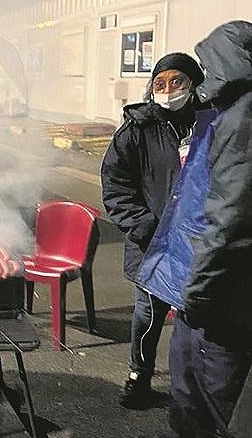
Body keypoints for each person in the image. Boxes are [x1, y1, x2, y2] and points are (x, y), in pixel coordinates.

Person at [139, 21, 252, 436]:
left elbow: (231, 222)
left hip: (220, 303)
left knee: (209, 407)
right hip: (209, 290)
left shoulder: (243, 120)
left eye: (206, 62)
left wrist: (198, 294)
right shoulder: (224, 114)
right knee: (192, 402)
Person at [100, 52, 204, 409]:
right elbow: (115, 184)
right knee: (149, 312)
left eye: (177, 82)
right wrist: (143, 226)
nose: (168, 89)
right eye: (160, 83)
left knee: (196, 318)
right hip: (154, 242)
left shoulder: (210, 126)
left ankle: (193, 388)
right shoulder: (137, 129)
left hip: (200, 243)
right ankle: (138, 376)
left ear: (194, 84)